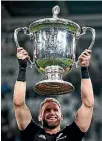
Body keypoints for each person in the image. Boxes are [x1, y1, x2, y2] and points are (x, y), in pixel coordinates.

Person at [13, 47, 94, 141]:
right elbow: (18, 104)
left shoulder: (72, 134)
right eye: (47, 110)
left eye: (55, 110)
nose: (52, 113)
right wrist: (22, 67)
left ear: (61, 116)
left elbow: (88, 105)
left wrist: (84, 68)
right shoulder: (32, 133)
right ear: (40, 116)